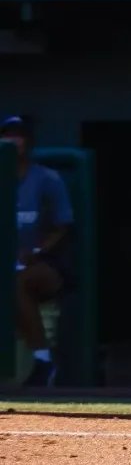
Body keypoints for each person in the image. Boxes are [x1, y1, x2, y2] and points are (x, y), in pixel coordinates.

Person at [1, 116, 74, 387]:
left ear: (28, 141)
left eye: (18, 135)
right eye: (7, 134)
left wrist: (36, 250)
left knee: (18, 283)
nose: (13, 140)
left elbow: (63, 226)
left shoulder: (46, 178)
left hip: (44, 266)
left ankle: (42, 360)